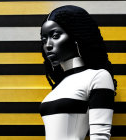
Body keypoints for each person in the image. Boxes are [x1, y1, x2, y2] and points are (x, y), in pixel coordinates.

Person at [39, 5, 117, 140]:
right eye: (44, 39)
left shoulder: (98, 77)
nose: (48, 45)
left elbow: (100, 136)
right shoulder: (59, 85)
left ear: (76, 36)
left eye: (55, 36)